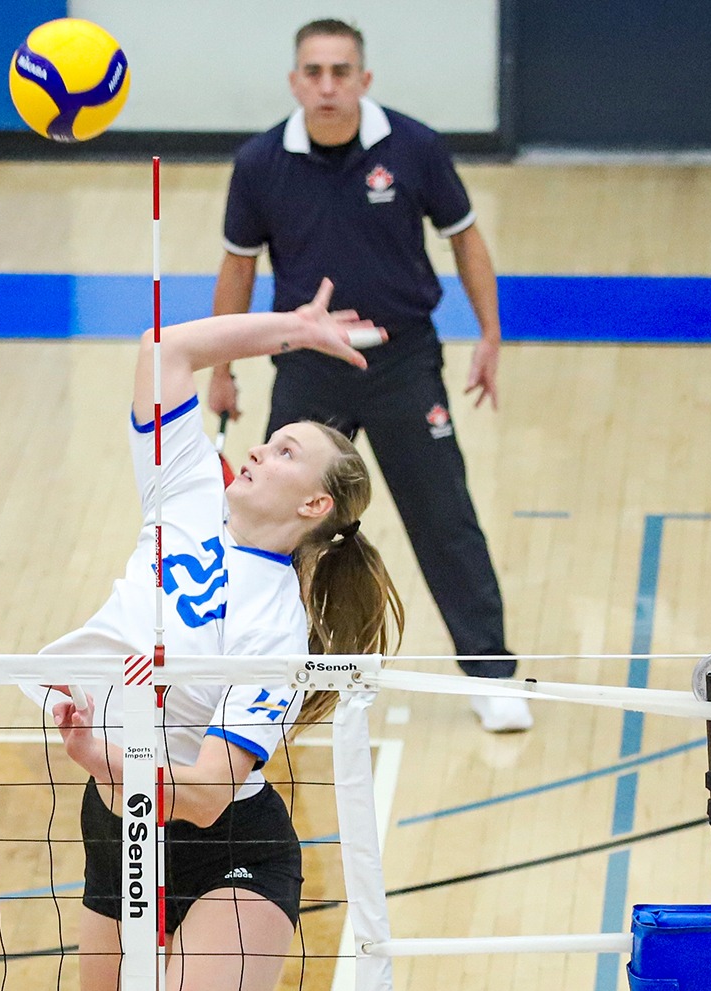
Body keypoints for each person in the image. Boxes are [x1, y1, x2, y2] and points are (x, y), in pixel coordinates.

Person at [37, 284, 403, 991]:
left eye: (284, 451)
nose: (260, 450)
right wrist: (293, 330)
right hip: (120, 834)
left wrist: (107, 756)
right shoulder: (188, 487)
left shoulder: (279, 629)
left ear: (313, 502)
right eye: (267, 440)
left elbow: (205, 791)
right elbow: (163, 350)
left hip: (227, 845)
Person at [206, 17, 529, 732]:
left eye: (340, 72)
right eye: (313, 72)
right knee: (271, 522)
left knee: (445, 516)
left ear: (363, 79)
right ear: (295, 81)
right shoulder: (261, 163)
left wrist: (490, 333)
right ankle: (257, 673)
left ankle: (493, 674)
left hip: (402, 362)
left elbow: (465, 237)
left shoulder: (414, 148)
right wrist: (220, 368)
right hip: (308, 368)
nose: (327, 85)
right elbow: (238, 264)